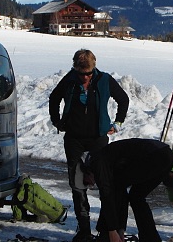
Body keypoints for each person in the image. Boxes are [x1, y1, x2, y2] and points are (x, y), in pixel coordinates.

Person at [49, 49, 130, 242]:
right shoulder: (69, 80)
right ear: (75, 69)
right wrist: (57, 121)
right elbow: (54, 98)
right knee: (78, 186)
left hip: (98, 139)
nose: (85, 77)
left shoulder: (104, 80)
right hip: (74, 140)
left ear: (93, 69)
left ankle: (106, 229)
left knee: (105, 185)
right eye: (81, 73)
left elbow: (123, 99)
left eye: (88, 73)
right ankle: (84, 229)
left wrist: (118, 123)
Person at [82, 138, 173, 242]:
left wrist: (112, 231)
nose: (91, 184)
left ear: (87, 171)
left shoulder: (98, 162)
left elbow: (107, 195)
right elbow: (120, 192)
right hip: (167, 155)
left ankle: (107, 234)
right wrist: (121, 228)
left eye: (86, 182)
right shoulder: (106, 159)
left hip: (155, 155)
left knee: (113, 190)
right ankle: (150, 238)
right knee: (136, 197)